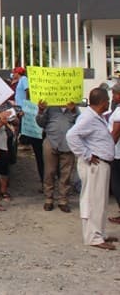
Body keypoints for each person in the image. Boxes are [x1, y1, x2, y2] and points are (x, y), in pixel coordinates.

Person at [66, 87, 120, 250]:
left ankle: (99, 233)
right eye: (107, 101)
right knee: (93, 200)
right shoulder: (88, 118)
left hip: (102, 163)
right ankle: (93, 237)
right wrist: (87, 154)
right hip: (94, 164)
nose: (109, 103)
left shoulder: (96, 117)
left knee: (100, 201)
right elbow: (71, 135)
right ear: (103, 102)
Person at [36, 100, 79, 212]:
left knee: (66, 173)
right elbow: (40, 123)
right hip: (51, 141)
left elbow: (79, 122)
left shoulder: (73, 106)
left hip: (68, 143)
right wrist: (41, 110)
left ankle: (63, 200)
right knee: (49, 172)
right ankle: (49, 199)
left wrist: (73, 110)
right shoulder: (49, 105)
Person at [12, 66, 45, 191]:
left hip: (27, 111)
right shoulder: (18, 81)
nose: (12, 74)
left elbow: (27, 91)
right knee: (39, 154)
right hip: (27, 114)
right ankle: (44, 181)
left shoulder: (24, 79)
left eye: (14, 72)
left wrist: (27, 104)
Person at [106, 93, 120, 225]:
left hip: (117, 153)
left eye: (115, 94)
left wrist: (106, 150)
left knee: (116, 185)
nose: (113, 96)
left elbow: (115, 133)